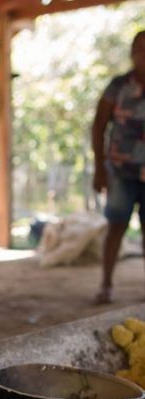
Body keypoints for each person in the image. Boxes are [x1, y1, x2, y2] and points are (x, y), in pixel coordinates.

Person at [92, 30, 145, 304]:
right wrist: (99, 168)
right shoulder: (118, 86)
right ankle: (106, 284)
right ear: (132, 53)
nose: (142, 54)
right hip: (121, 171)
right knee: (115, 227)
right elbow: (99, 124)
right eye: (138, 49)